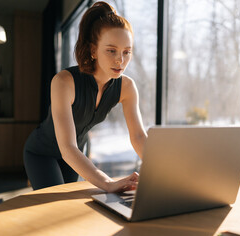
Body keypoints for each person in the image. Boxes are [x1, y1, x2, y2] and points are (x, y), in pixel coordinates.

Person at [23, 1, 147, 192]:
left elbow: (138, 136)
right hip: (41, 153)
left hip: (74, 154)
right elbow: (67, 147)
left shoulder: (127, 87)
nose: (120, 60)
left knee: (71, 208)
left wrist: (162, 174)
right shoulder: (64, 82)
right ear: (93, 50)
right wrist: (108, 183)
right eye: (111, 50)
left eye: (126, 52)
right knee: (55, 208)